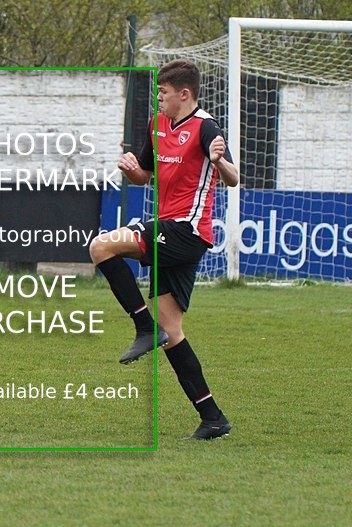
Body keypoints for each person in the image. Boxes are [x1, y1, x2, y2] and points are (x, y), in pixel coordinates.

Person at [89, 60, 238, 440]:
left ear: (184, 94)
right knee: (172, 331)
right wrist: (130, 169)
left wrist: (220, 159)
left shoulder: (207, 128)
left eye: (164, 92)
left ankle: (142, 325)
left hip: (187, 231)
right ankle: (213, 418)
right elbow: (144, 173)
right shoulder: (157, 125)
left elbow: (235, 179)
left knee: (101, 246)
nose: (160, 97)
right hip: (170, 232)